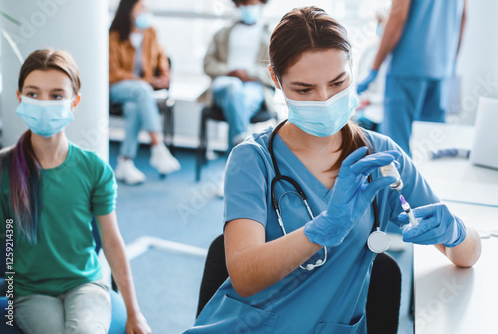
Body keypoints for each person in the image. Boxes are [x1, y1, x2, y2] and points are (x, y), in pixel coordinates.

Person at [186, 7, 480, 333]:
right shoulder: (252, 160)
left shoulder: (380, 157)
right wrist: (321, 230)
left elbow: (468, 254)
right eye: (304, 89)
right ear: (275, 79)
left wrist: (455, 232)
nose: (324, 99)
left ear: (351, 68)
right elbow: (243, 276)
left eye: (338, 82)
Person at [0, 50, 151, 333]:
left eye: (56, 96)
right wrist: (8, 296)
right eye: (33, 93)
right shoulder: (3, 169)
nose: (43, 103)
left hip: (86, 284)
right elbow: (3, 245)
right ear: (20, 98)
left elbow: (112, 242)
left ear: (74, 102)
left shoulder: (94, 169)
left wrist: (134, 312)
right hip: (31, 291)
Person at [357, 0, 467, 156]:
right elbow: (463, 17)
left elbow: (397, 16)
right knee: (432, 148)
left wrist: (374, 67)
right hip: (441, 70)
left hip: (407, 66)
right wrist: (450, 63)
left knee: (397, 150)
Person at [110, 0, 180, 185]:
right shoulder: (114, 36)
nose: (146, 11)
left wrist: (165, 74)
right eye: (141, 8)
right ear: (129, 11)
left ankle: (125, 161)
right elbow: (113, 72)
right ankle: (157, 146)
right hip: (117, 87)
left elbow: (161, 57)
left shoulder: (150, 32)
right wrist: (148, 82)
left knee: (134, 107)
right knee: (142, 91)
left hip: (141, 93)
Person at [198, 0, 275, 150]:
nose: (248, 8)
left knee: (240, 106)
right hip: (225, 82)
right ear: (238, 5)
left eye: (253, 4)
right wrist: (229, 71)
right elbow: (208, 65)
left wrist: (249, 74)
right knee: (234, 87)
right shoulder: (221, 34)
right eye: (245, 4)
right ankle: (243, 147)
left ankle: (233, 160)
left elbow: (275, 70)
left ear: (261, 5)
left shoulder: (270, 36)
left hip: (254, 86)